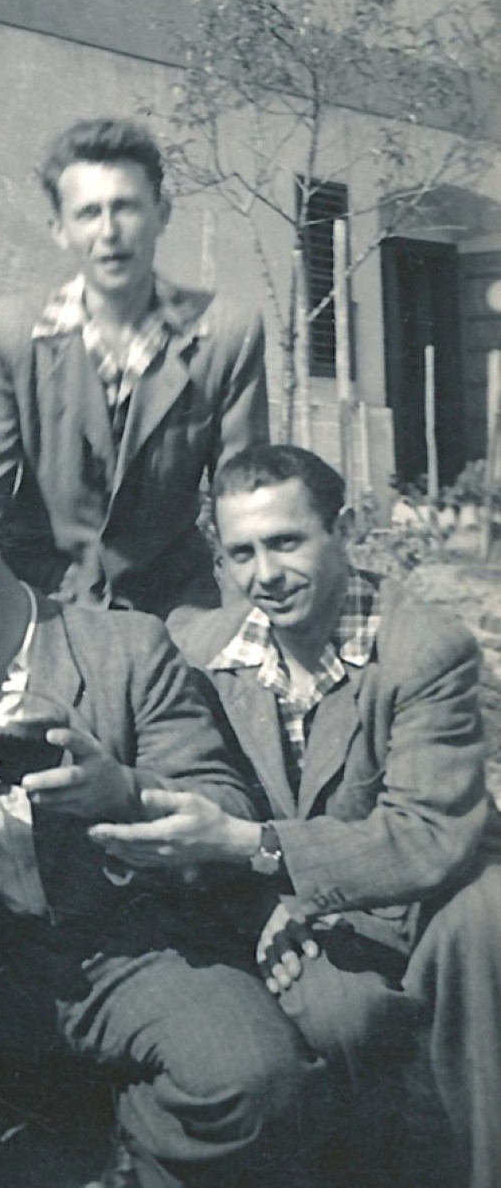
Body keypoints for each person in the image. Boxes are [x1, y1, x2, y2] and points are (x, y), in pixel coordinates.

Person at [0, 457, 325, 1188]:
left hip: (121, 952)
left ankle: (117, 1152)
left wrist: (120, 792)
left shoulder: (126, 649)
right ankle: (5, 1139)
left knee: (256, 1078)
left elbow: (223, 804)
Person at [90, 444, 501, 1188]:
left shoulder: (423, 651)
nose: (265, 576)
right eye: (241, 552)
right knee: (337, 1011)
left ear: (341, 531)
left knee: (486, 925)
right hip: (289, 898)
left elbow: (426, 838)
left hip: (430, 893)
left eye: (286, 542)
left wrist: (261, 851)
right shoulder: (199, 647)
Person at [0, 118, 268, 620]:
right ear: (60, 230)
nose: (109, 232)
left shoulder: (226, 334)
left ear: (161, 213)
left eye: (125, 207)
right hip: (44, 606)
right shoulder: (11, 333)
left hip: (174, 610)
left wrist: (241, 634)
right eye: (88, 213)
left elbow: (248, 502)